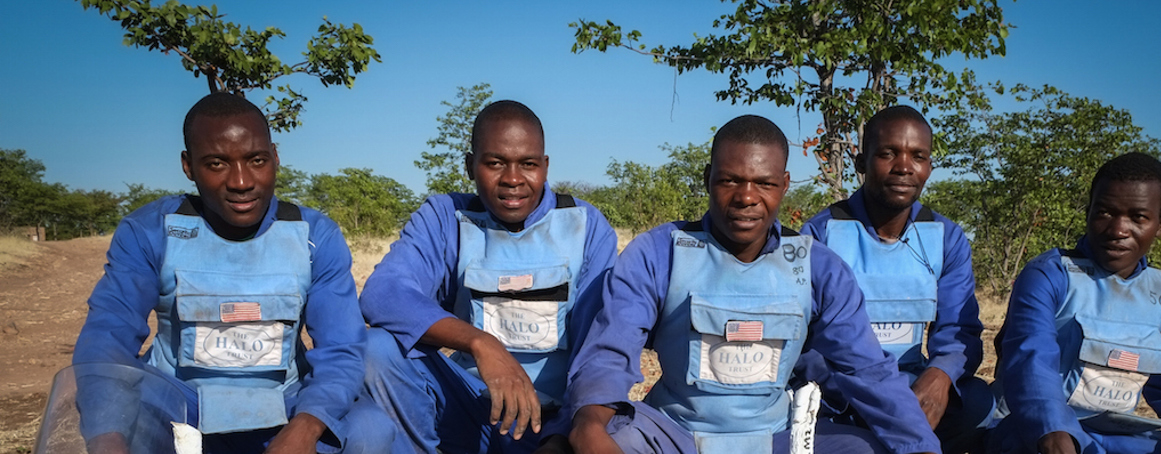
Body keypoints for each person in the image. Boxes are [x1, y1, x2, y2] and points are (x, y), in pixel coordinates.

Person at [549, 115, 939, 454]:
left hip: (777, 437)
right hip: (672, 435)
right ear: (708, 179)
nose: (746, 197)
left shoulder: (818, 267)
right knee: (599, 438)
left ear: (784, 184)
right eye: (730, 180)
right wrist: (589, 423)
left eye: (763, 183)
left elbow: (868, 371)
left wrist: (920, 445)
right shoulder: (659, 253)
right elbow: (610, 351)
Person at [71, 92, 390, 453]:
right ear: (188, 166)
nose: (241, 181)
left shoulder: (314, 237)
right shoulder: (151, 231)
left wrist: (306, 425)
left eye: (257, 160)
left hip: (284, 404)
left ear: (275, 157)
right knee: (109, 425)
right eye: (217, 164)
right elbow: (108, 337)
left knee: (370, 430)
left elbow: (341, 349)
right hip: (176, 405)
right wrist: (109, 435)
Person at [359, 100, 618, 454]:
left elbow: (596, 348)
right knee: (377, 349)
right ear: (470, 165)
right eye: (495, 163)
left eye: (528, 164)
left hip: (551, 423)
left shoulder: (585, 226)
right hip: (468, 406)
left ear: (545, 166)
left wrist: (561, 435)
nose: (513, 179)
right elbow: (384, 292)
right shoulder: (447, 217)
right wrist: (483, 344)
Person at [988, 152, 1161, 454]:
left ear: (1160, 225)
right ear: (1088, 212)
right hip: (1035, 433)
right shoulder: (1050, 276)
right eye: (1105, 213)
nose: (1118, 230)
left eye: (1138, 217)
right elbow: (1031, 365)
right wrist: (1053, 431)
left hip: (1117, 439)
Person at [798, 105, 992, 452]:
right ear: (861, 163)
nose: (904, 167)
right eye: (888, 154)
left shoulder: (945, 237)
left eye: (918, 156)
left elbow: (959, 330)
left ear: (929, 167)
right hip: (843, 397)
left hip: (913, 388)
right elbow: (805, 343)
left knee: (978, 402)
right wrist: (879, 400)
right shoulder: (820, 235)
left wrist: (939, 376)